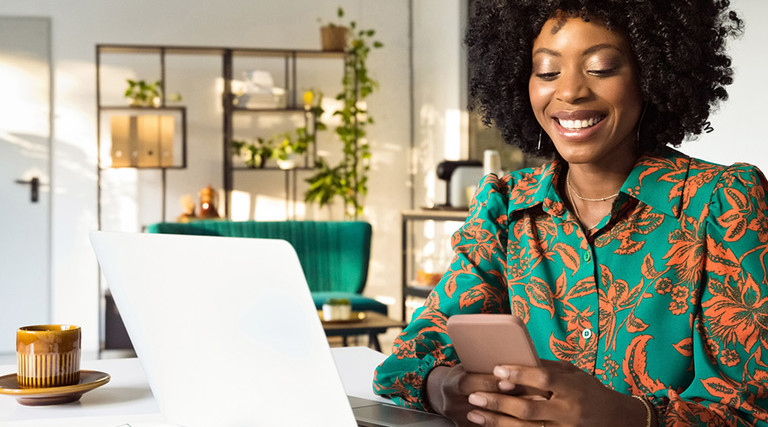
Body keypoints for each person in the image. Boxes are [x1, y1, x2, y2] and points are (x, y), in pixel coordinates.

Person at [373, 0, 768, 426]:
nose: (570, 91)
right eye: (546, 72)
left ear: (650, 75)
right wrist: (444, 388)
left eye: (600, 67)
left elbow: (750, 407)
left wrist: (626, 417)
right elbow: (402, 364)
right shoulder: (506, 207)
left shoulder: (723, 202)